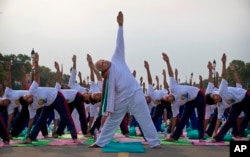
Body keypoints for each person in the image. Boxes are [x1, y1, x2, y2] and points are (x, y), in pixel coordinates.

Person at [88, 11, 161, 148]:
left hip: (135, 93)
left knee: (145, 118)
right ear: (102, 70)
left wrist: (120, 26)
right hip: (121, 99)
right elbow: (109, 95)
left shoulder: (117, 58)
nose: (104, 61)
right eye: (101, 63)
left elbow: (119, 43)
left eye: (103, 60)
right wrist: (106, 111)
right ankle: (100, 142)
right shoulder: (107, 79)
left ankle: (155, 142)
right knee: (111, 122)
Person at [19, 52, 79, 144]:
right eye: (27, 98)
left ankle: (74, 137)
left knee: (66, 116)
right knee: (40, 120)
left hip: (57, 97)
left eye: (26, 95)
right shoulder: (31, 107)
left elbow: (36, 76)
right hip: (48, 104)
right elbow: (31, 120)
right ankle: (30, 137)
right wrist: (27, 133)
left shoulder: (32, 90)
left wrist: (37, 62)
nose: (28, 95)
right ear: (28, 103)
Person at [162, 52, 206, 142]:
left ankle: (201, 137)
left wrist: (167, 62)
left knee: (201, 117)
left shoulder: (173, 88)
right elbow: (174, 119)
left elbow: (171, 74)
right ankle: (175, 137)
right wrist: (171, 133)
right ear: (169, 102)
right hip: (189, 101)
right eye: (167, 98)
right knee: (183, 119)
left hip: (199, 95)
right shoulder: (174, 105)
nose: (168, 96)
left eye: (166, 96)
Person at [206, 53, 250, 142]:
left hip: (245, 97)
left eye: (214, 94)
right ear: (215, 102)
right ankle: (218, 138)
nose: (215, 94)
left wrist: (223, 63)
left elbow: (224, 76)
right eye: (214, 96)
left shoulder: (222, 90)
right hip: (237, 104)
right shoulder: (220, 106)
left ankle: (239, 132)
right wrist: (215, 134)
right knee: (230, 120)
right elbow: (218, 120)